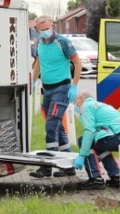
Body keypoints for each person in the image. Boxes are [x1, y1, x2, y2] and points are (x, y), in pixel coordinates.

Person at [30, 16, 82, 178]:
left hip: (62, 88)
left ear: (52, 26)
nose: (45, 31)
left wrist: (74, 85)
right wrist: (33, 80)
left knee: (51, 126)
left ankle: (47, 167)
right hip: (48, 89)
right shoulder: (39, 42)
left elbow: (78, 63)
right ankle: (69, 165)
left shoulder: (63, 42)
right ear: (37, 30)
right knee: (57, 127)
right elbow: (38, 62)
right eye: (42, 29)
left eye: (48, 28)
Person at [72, 94, 120, 190]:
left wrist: (82, 155)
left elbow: (89, 131)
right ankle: (116, 176)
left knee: (84, 140)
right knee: (98, 143)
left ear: (81, 98)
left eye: (76, 102)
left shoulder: (86, 106)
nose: (76, 105)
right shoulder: (100, 105)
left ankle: (95, 178)